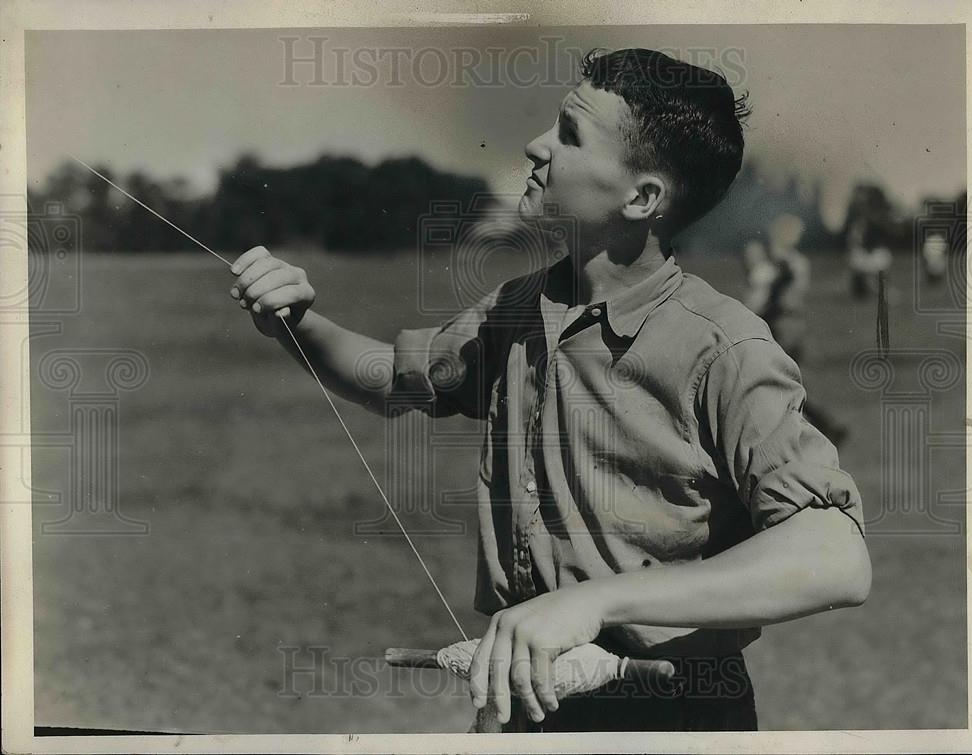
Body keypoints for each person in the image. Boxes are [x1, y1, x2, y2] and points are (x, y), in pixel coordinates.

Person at [227, 48, 871, 732]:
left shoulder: (725, 346)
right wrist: (295, 321)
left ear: (643, 198)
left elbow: (835, 557)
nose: (536, 145)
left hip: (670, 711)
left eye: (569, 134)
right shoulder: (521, 306)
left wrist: (598, 602)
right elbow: (391, 379)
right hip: (523, 703)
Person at [743, 215, 849, 446]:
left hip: (782, 324)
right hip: (793, 323)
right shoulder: (796, 262)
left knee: (782, 379)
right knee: (789, 379)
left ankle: (825, 425)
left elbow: (764, 298)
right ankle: (821, 426)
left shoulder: (782, 266)